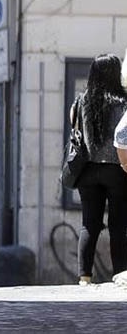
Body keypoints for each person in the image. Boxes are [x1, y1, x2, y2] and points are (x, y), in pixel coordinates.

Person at [74, 54, 127, 284]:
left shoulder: (82, 100)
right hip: (116, 169)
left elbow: (73, 127)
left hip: (87, 170)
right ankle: (120, 274)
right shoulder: (122, 101)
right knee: (118, 224)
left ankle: (84, 277)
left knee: (89, 224)